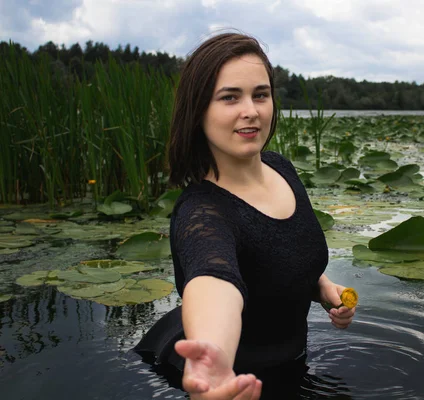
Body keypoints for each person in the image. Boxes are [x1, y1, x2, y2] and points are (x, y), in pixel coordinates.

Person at [133, 31, 356, 399]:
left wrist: (322, 287)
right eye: (230, 97)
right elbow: (213, 286)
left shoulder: (281, 168)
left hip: (292, 367)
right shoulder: (201, 213)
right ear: (199, 109)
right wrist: (211, 361)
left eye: (260, 94)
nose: (250, 110)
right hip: (232, 385)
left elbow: (282, 255)